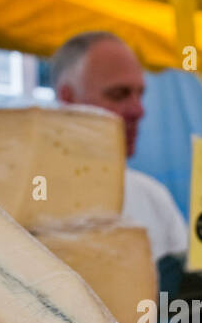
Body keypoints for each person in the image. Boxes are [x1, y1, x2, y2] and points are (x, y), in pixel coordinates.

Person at [50, 32, 187, 294]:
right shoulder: (28, 203)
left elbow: (188, 300)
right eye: (119, 94)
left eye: (139, 94)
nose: (138, 110)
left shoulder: (153, 197)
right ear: (68, 100)